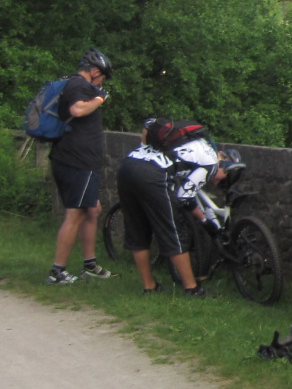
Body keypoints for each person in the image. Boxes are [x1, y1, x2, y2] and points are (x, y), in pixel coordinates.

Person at [118, 117, 220, 297]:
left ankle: (149, 286)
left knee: (137, 231)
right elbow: (184, 196)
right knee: (173, 232)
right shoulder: (211, 163)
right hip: (153, 174)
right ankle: (192, 288)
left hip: (129, 165)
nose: (217, 182)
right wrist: (204, 220)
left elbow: (148, 128)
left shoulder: (191, 140)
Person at [46, 49, 115, 285]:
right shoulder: (78, 85)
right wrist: (100, 99)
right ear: (94, 71)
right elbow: (77, 109)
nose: (102, 83)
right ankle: (57, 272)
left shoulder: (79, 86)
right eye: (102, 77)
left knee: (92, 209)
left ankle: (90, 265)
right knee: (75, 213)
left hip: (79, 159)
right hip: (77, 160)